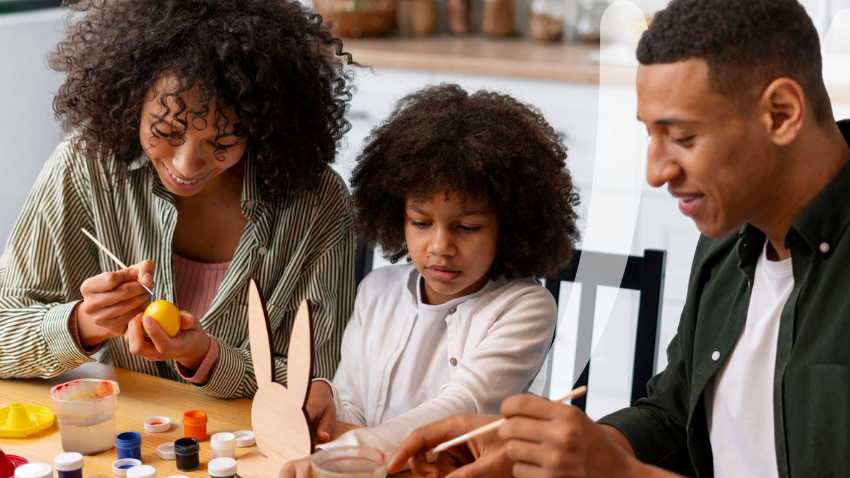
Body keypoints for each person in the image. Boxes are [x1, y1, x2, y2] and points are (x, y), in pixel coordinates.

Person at [388, 0, 850, 477]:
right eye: (650, 134)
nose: (656, 172)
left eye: (683, 137)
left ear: (781, 113)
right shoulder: (730, 242)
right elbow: (672, 419)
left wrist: (622, 473)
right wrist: (540, 450)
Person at [0, 0, 357, 399]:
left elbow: (322, 379)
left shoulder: (315, 202)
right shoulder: (86, 168)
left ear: (261, 125)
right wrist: (83, 324)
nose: (186, 166)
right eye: (168, 132)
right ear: (132, 97)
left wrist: (207, 357)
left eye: (221, 142)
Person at [279, 84, 582, 477]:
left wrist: (336, 457)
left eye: (468, 227)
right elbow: (354, 407)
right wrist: (328, 396)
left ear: (509, 226)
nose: (440, 246)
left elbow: (459, 409)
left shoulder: (525, 308)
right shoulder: (377, 290)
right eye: (421, 223)